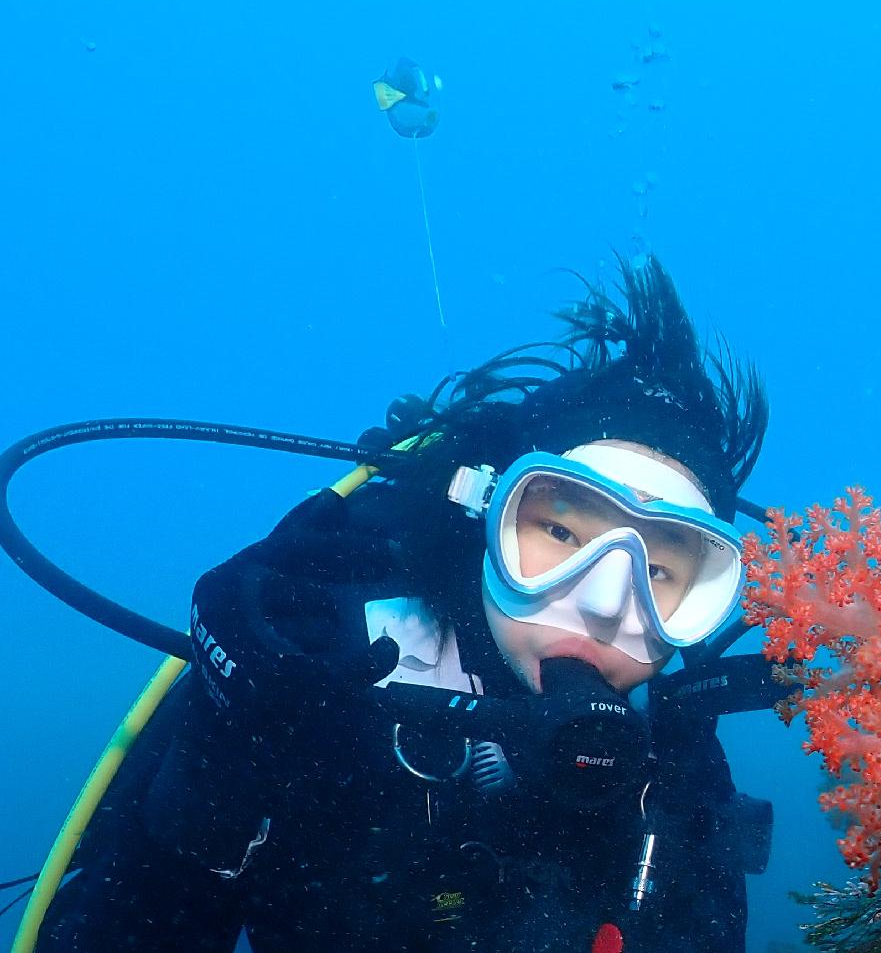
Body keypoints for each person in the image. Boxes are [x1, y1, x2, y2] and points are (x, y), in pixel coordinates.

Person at [36, 256, 771, 952]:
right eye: (559, 531)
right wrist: (231, 760)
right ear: (487, 512)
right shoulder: (316, 656)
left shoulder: (670, 755)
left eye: (660, 570)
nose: (606, 604)